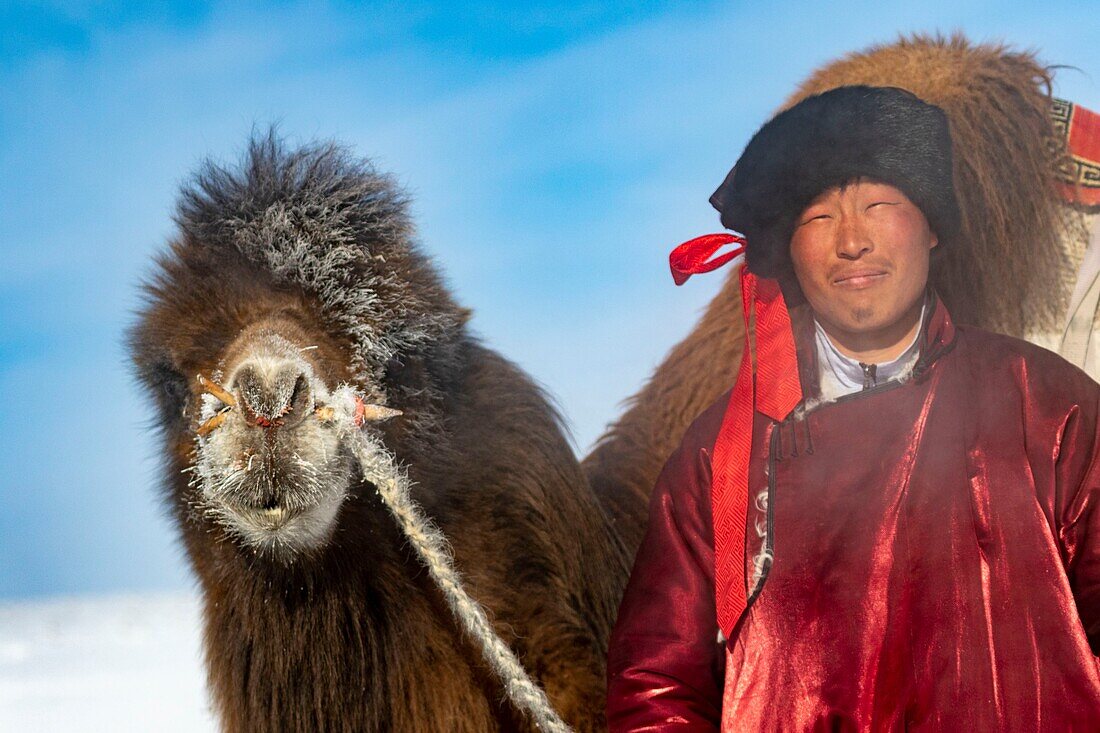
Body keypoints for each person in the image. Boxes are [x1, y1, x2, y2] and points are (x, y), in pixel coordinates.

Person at [605, 85, 1100, 731]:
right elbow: (655, 686)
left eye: (879, 205)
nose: (852, 241)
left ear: (931, 231)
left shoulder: (1048, 404)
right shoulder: (719, 456)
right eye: (819, 217)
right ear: (790, 255)